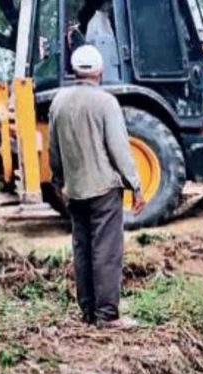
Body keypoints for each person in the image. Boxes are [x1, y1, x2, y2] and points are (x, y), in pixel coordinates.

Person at [49, 45, 146, 328]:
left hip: (74, 189)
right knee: (106, 250)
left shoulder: (59, 102)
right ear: (100, 71)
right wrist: (136, 185)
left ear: (74, 70)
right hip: (104, 190)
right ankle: (107, 316)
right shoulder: (106, 103)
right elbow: (119, 149)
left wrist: (59, 182)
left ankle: (88, 312)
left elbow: (55, 150)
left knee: (82, 249)